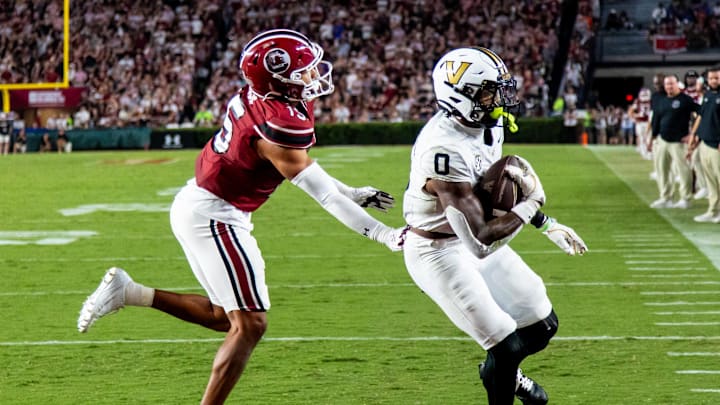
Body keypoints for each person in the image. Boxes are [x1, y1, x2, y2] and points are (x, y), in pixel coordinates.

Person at [77, 29, 405, 404]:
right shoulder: (277, 123)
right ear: (277, 80)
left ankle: (130, 292)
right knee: (251, 324)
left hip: (203, 203)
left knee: (224, 316)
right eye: (304, 72)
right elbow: (324, 195)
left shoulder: (267, 99)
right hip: (214, 215)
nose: (314, 77)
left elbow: (313, 174)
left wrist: (352, 192)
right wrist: (384, 234)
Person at [401, 47, 587, 405]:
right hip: (437, 251)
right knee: (506, 345)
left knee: (541, 325)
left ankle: (497, 373)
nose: (500, 98)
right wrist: (533, 203)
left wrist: (546, 224)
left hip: (466, 234)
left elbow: (491, 192)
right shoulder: (441, 149)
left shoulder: (488, 122)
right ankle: (502, 374)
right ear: (460, 95)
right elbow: (481, 242)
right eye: (489, 91)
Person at [647, 74, 700, 209]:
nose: (669, 86)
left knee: (683, 171)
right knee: (662, 170)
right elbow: (656, 120)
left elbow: (702, 114)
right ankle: (665, 197)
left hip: (679, 141)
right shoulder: (661, 100)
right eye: (667, 84)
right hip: (662, 140)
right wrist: (652, 138)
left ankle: (685, 198)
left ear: (677, 84)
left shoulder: (685, 100)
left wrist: (693, 134)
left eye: (671, 83)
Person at [687, 64, 720, 223]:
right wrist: (693, 134)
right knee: (710, 181)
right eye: (712, 78)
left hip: (717, 144)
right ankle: (712, 210)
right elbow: (701, 116)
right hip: (705, 142)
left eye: (717, 77)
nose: (714, 80)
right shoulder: (707, 95)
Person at [629, 88, 652, 159]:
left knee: (648, 137)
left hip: (649, 122)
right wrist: (636, 116)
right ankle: (643, 152)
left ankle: (648, 152)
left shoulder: (652, 101)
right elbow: (630, 112)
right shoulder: (638, 102)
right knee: (641, 137)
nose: (645, 96)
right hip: (640, 122)